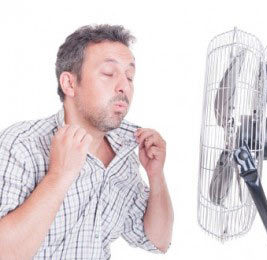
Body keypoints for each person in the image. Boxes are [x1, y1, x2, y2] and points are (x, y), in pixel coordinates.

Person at [0, 24, 173, 259]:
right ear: (70, 84)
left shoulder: (124, 153)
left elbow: (158, 241)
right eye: (109, 74)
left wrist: (156, 175)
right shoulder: (22, 145)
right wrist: (58, 176)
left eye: (130, 76)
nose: (124, 86)